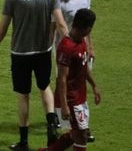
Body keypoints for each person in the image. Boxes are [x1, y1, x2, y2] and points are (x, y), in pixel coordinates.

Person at [0, 0, 69, 150]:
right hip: (43, 50)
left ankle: (23, 141)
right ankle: (51, 125)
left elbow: (3, 28)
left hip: (21, 53)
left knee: (23, 94)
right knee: (44, 86)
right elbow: (61, 24)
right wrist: (67, 48)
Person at [41, 9, 100, 151]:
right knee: (81, 135)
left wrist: (94, 85)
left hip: (80, 97)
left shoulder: (81, 41)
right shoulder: (67, 47)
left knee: (77, 134)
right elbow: (61, 78)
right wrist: (65, 105)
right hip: (70, 99)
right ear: (88, 28)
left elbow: (84, 67)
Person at [52, 0, 95, 142]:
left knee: (80, 86)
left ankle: (82, 125)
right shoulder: (57, 0)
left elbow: (88, 25)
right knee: (64, 84)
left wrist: (90, 46)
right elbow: (53, 27)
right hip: (65, 50)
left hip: (82, 49)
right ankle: (65, 123)